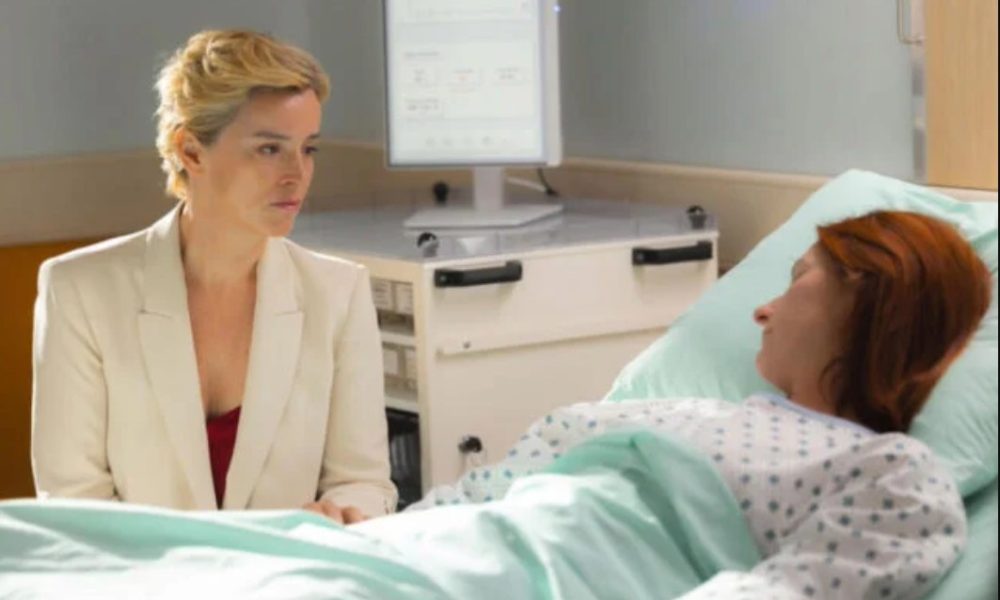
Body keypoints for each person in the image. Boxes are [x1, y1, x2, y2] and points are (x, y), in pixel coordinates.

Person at [409, 210, 992, 598]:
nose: (762, 310)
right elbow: (480, 496)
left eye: (798, 279)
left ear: (869, 289)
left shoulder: (892, 475)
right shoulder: (684, 413)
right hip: (424, 559)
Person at [31, 30, 396, 523]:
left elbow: (363, 481)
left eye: (309, 149)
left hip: (291, 567)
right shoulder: (79, 290)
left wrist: (340, 514)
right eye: (269, 149)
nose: (297, 174)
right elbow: (75, 499)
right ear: (191, 151)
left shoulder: (338, 293)